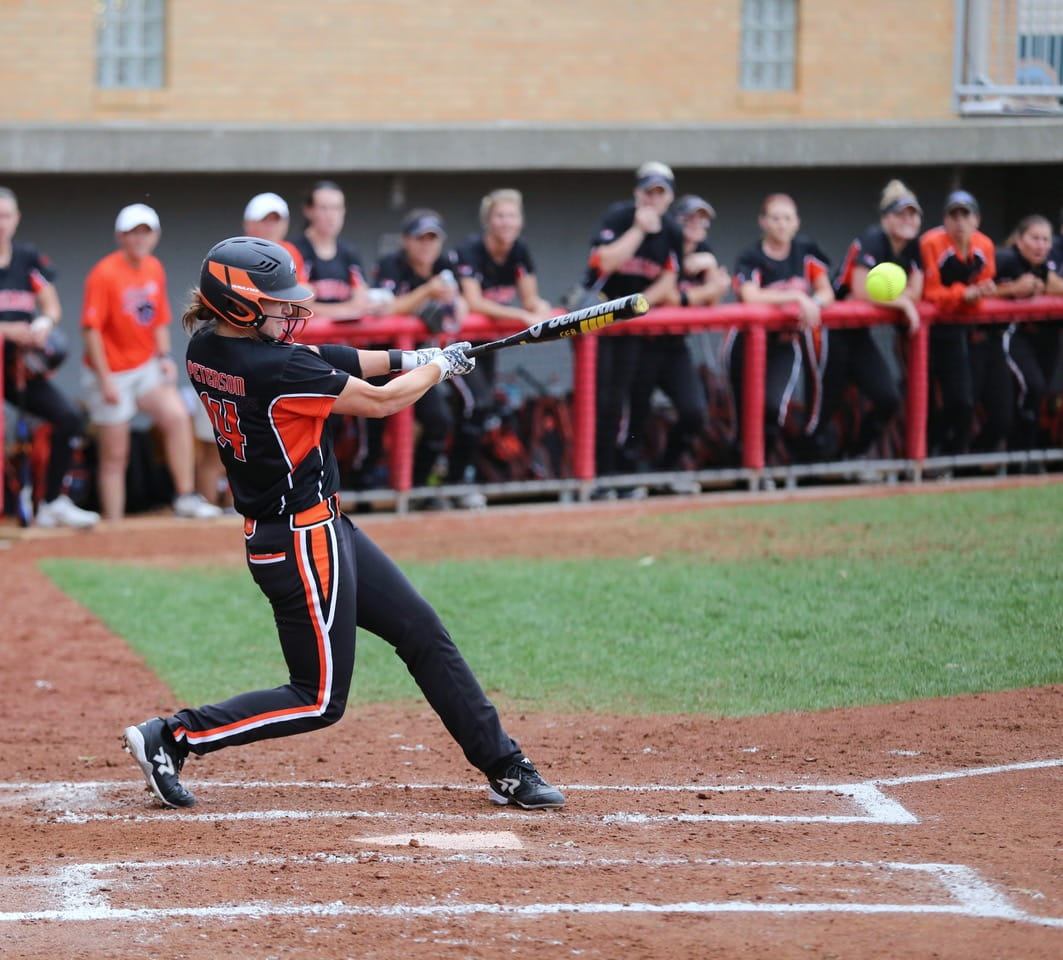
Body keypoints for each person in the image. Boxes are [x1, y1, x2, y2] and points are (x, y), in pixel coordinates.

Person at [122, 236, 563, 812]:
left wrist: (421, 358)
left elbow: (329, 359)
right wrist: (436, 370)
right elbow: (380, 402)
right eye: (275, 303)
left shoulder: (208, 347)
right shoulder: (275, 367)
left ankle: (505, 766)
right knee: (317, 698)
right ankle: (175, 735)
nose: (289, 311)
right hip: (301, 543)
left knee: (421, 631)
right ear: (238, 305)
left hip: (320, 529)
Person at [80, 204, 222, 521]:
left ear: (155, 235)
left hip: (144, 366)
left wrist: (163, 357)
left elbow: (158, 319)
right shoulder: (104, 273)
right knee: (115, 453)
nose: (140, 238)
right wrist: (104, 381)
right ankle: (114, 521)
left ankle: (185, 497)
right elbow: (91, 331)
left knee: (175, 416)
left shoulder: (154, 268)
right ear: (121, 236)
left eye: (146, 231)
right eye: (133, 232)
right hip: (111, 371)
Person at [582, 161, 684, 495]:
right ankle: (591, 475)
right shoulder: (619, 216)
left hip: (629, 324)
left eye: (660, 192)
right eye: (648, 191)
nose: (653, 199)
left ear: (669, 197)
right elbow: (604, 261)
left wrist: (637, 306)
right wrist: (639, 229)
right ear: (637, 193)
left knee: (625, 402)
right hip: (597, 322)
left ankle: (614, 476)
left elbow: (669, 279)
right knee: (598, 399)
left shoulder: (672, 231)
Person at [0, 187, 99, 528]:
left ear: (16, 219)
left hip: (20, 369)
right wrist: (7, 331)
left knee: (68, 417)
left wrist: (42, 324)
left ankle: (53, 501)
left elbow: (51, 305)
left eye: (6, 215)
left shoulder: (26, 257)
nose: (1, 223)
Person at [374, 209, 484, 507]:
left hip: (440, 351)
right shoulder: (392, 265)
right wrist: (427, 292)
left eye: (432, 239)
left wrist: (455, 302)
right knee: (433, 420)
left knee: (479, 405)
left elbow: (460, 308)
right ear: (407, 241)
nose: (426, 246)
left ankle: (450, 482)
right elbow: (385, 309)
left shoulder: (446, 264)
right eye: (420, 239)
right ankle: (415, 490)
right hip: (399, 359)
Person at [455, 188, 553, 486]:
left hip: (486, 344)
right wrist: (523, 316)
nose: (506, 222)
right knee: (476, 405)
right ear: (488, 220)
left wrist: (542, 308)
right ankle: (455, 480)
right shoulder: (471, 249)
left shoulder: (519, 251)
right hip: (454, 344)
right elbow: (475, 302)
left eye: (512, 216)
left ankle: (466, 479)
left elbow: (530, 299)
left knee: (483, 410)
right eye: (500, 216)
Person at [728, 193, 835, 466]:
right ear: (762, 222)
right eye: (775, 218)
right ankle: (739, 470)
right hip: (746, 344)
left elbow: (826, 290)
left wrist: (814, 301)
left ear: (797, 222)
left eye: (787, 218)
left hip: (785, 344)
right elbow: (750, 295)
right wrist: (795, 297)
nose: (781, 224)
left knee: (773, 407)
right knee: (744, 412)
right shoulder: (751, 255)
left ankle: (762, 467)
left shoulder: (805, 249)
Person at [827, 179, 923, 460]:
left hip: (858, 333)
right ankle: (809, 468)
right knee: (826, 405)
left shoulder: (914, 246)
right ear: (886, 218)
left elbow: (915, 291)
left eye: (913, 213)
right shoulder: (873, 239)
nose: (908, 220)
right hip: (830, 329)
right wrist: (901, 301)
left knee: (887, 398)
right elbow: (859, 289)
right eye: (901, 214)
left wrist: (903, 300)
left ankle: (851, 456)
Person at [918, 190, 1005, 456]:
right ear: (944, 219)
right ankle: (925, 458)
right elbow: (930, 293)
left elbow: (985, 285)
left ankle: (953, 457)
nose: (959, 221)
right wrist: (962, 294)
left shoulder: (985, 245)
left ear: (976, 219)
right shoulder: (931, 243)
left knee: (963, 400)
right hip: (927, 331)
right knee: (927, 400)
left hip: (962, 331)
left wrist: (976, 295)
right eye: (953, 215)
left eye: (965, 215)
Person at [993, 213, 1063, 451]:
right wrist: (1013, 289)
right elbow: (975, 290)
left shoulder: (1040, 266)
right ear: (1019, 240)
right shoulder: (1004, 258)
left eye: (1045, 240)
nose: (1041, 245)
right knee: (1029, 389)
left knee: (1035, 393)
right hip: (992, 339)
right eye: (1035, 238)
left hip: (1038, 340)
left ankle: (1025, 457)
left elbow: (1052, 284)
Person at [292, 181, 377, 321]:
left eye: (337, 208)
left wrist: (329, 311)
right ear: (308, 211)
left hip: (344, 339)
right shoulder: (295, 250)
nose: (331, 216)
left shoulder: (349, 253)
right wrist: (345, 311)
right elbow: (298, 307)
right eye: (324, 208)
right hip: (307, 339)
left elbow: (361, 301)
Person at [242, 192, 307, 283]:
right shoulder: (237, 253)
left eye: (276, 220)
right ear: (248, 224)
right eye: (264, 219)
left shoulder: (290, 251)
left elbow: (303, 289)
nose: (271, 226)